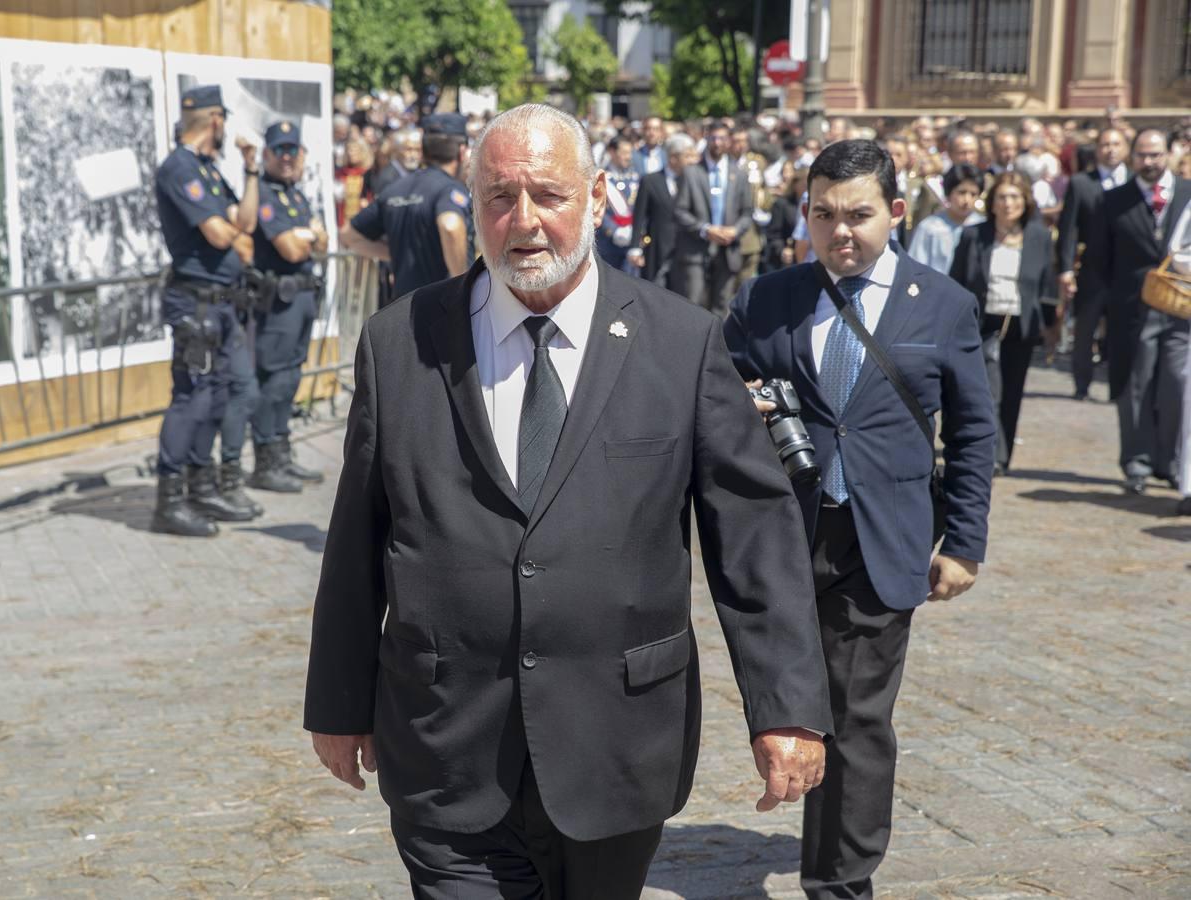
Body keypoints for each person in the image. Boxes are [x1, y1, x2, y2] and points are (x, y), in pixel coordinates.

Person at [304, 103, 832, 898]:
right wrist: (338, 700)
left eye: (547, 195)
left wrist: (786, 706)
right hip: (445, 742)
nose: (524, 222)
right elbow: (357, 543)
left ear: (596, 195)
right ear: (472, 201)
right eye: (499, 197)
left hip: (615, 745)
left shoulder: (681, 344)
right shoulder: (399, 341)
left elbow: (753, 534)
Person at [725, 139, 996, 900]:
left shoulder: (942, 305)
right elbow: (723, 394)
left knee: (857, 717)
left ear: (896, 213)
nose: (839, 231)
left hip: (882, 540)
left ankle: (840, 881)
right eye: (822, 214)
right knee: (788, 701)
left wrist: (965, 543)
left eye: (858, 215)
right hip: (782, 537)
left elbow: (975, 434)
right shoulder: (766, 298)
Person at [150, 85, 265, 537]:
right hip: (194, 302)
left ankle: (201, 485)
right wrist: (233, 231)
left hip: (220, 302)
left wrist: (252, 169)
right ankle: (169, 500)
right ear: (215, 120)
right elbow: (220, 234)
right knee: (193, 397)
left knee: (220, 394)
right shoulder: (180, 167)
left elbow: (247, 221)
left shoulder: (208, 169)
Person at [1088, 129, 1190, 494]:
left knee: (1177, 386)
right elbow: (1098, 262)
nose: (1150, 162)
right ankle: (1137, 462)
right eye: (1143, 155)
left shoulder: (1188, 194)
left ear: (1168, 155)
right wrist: (1096, 314)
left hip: (1182, 307)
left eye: (1156, 155)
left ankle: (1176, 463)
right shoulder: (1114, 200)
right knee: (1136, 385)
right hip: (1132, 308)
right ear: (1133, 158)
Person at [950, 171, 1059, 475]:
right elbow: (956, 280)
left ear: (1025, 201)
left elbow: (1047, 285)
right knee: (988, 391)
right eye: (1002, 197)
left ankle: (1005, 453)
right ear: (992, 202)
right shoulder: (975, 235)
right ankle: (990, 454)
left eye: (1014, 197)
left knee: (1012, 392)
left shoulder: (1038, 236)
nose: (1008, 203)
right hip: (985, 324)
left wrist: (1050, 325)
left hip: (1021, 325)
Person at [244, 120, 327, 493]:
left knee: (291, 377)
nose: (288, 158)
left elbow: (321, 242)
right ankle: (266, 462)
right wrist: (308, 234)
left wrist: (308, 235)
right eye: (280, 151)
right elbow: (291, 248)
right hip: (278, 302)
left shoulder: (294, 194)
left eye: (293, 150)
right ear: (267, 154)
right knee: (275, 381)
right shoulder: (263, 192)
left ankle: (282, 454)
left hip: (303, 299)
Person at [339, 113, 472, 305]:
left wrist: (396, 252)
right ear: (462, 152)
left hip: (401, 309)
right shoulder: (449, 190)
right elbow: (450, 226)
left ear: (423, 152)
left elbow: (348, 236)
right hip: (441, 307)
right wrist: (462, 286)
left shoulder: (395, 190)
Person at [1057, 128, 1130, 401]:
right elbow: (1068, 229)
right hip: (1092, 269)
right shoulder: (1080, 183)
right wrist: (1065, 269)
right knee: (1085, 330)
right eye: (1105, 144)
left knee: (1119, 332)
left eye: (1116, 143)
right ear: (1097, 149)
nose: (1110, 149)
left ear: (1125, 148)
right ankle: (1082, 385)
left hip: (1125, 272)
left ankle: (1116, 388)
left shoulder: (1134, 182)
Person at [673, 122, 754, 313]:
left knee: (722, 306)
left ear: (729, 141)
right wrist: (705, 229)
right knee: (693, 305)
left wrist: (735, 230)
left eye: (722, 138)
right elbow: (679, 211)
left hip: (728, 250)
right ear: (706, 138)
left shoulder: (739, 174)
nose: (717, 143)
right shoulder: (691, 172)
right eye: (713, 138)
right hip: (696, 249)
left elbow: (748, 211)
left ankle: (718, 344)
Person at [627, 132, 692, 286]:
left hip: (685, 252)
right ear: (673, 158)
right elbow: (639, 216)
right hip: (657, 250)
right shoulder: (650, 181)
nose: (692, 161)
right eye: (687, 156)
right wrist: (635, 247)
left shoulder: (692, 181)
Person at [908, 164, 986, 275]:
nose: (966, 200)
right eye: (961, 192)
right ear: (949, 192)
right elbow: (915, 267)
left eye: (973, 194)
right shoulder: (930, 227)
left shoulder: (982, 227)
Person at [596, 137, 640, 274]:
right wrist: (613, 230)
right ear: (612, 152)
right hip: (608, 245)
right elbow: (596, 208)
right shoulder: (602, 179)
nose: (629, 157)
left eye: (630, 153)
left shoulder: (635, 177)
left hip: (631, 243)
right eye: (624, 153)